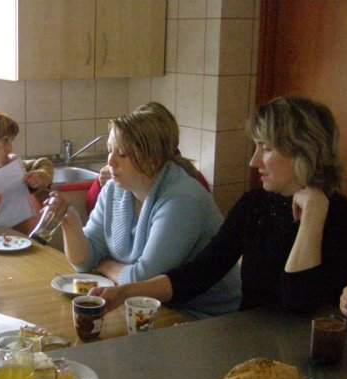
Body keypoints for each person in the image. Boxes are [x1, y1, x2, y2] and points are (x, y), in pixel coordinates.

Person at [92, 96, 347, 316]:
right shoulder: (254, 206)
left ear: (304, 152)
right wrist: (125, 293)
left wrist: (312, 218)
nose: (253, 161)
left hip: (312, 358)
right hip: (249, 344)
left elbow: (298, 305)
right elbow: (199, 273)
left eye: (266, 148)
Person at [57, 102, 241, 318]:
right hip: (149, 308)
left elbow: (142, 281)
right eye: (110, 151)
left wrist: (105, 265)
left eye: (122, 154)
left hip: (203, 316)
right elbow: (84, 262)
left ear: (152, 161)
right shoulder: (114, 190)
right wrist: (69, 221)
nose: (110, 161)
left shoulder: (182, 199)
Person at [84, 102, 210, 214]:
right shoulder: (127, 177)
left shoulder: (186, 187)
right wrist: (101, 184)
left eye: (122, 153)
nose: (111, 161)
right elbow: (94, 213)